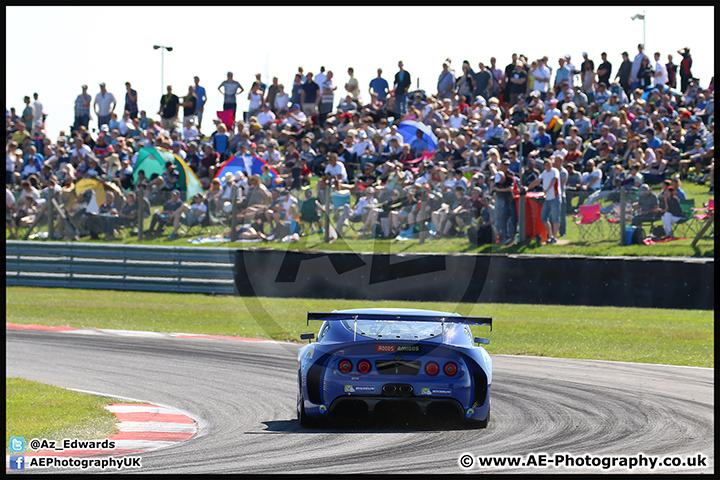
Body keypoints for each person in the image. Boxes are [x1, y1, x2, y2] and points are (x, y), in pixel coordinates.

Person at [527, 157, 561, 244]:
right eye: (546, 165)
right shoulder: (544, 173)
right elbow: (537, 180)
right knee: (544, 218)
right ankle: (550, 235)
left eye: (549, 164)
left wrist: (547, 189)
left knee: (555, 218)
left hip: (555, 197)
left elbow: (554, 180)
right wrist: (528, 187)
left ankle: (555, 237)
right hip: (547, 198)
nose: (548, 166)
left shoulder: (554, 171)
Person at [492, 159, 518, 245]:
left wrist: (499, 189)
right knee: (502, 219)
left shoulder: (510, 179)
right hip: (506, 203)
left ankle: (512, 236)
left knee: (512, 220)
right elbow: (493, 189)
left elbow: (510, 189)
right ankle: (503, 236)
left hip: (513, 202)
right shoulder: (498, 181)